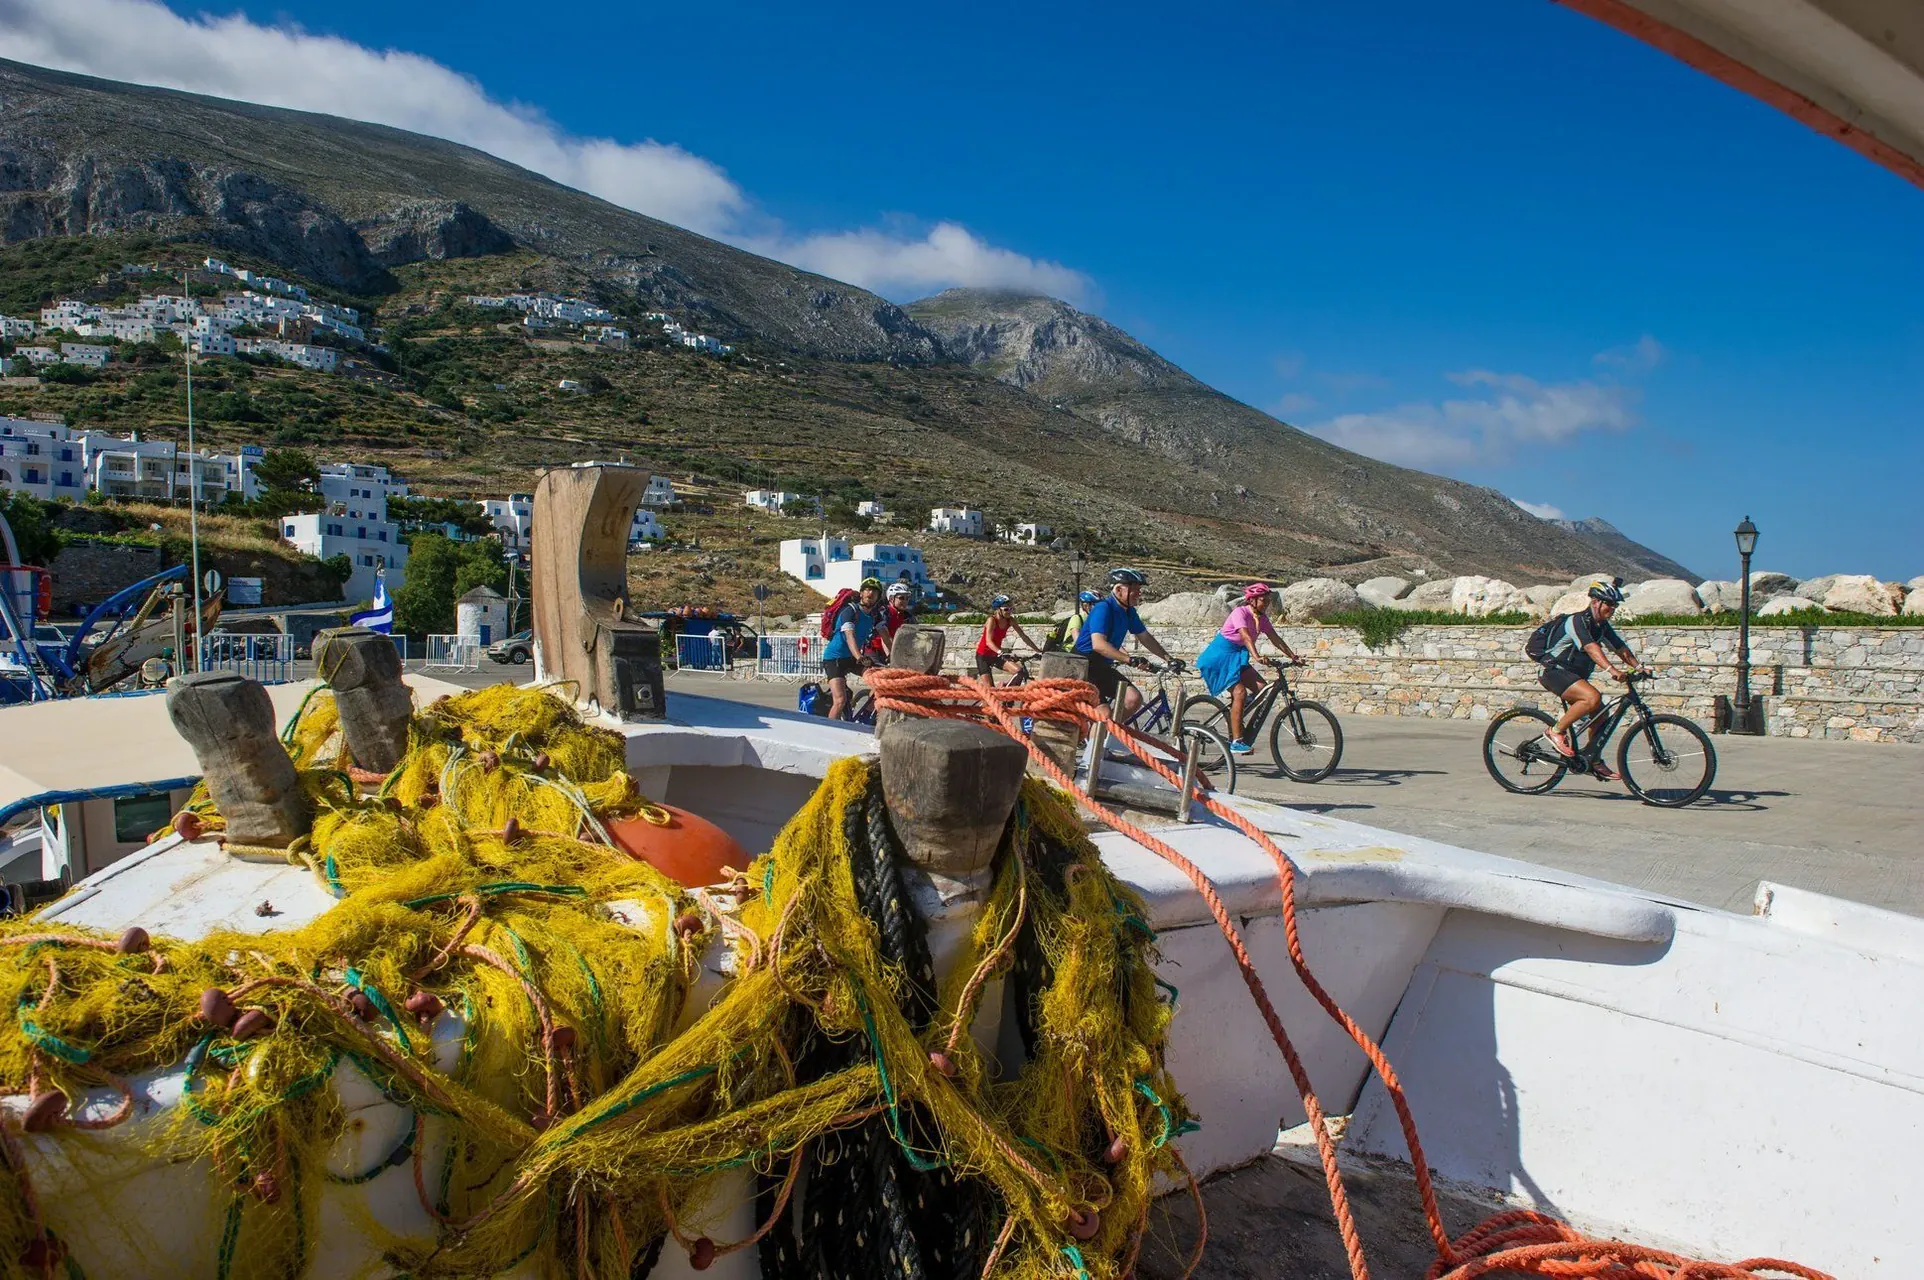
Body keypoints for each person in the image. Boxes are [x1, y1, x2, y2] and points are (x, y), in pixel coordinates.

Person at [1534, 578, 1642, 780]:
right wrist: (1611, 669)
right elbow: (1591, 647)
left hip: (1573, 676)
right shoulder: (1577, 621)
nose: (1613, 608)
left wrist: (1639, 667)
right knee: (1592, 697)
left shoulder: (1601, 626)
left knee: (1601, 714)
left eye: (1615, 604)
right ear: (1595, 601)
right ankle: (1555, 731)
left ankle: (1593, 759)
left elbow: (1619, 648)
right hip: (1553, 671)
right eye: (1609, 603)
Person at [1195, 583, 1303, 753]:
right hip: (1220, 657)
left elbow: (1275, 639)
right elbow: (1245, 636)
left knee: (1261, 689)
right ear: (1252, 600)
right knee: (1240, 692)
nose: (1267, 603)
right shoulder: (1240, 612)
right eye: (1263, 600)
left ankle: (1234, 715)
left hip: (1237, 656)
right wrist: (1256, 656)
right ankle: (1236, 742)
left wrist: (1293, 656)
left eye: (1268, 600)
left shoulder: (1263, 619)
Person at [1073, 568, 1180, 719]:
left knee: (1133, 699)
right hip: (1083, 666)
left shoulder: (1129, 612)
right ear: (1118, 590)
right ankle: (1097, 738)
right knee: (1103, 714)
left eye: (1139, 589)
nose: (1139, 593)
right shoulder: (1103, 609)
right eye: (1135, 589)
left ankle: (1111, 735)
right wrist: (1129, 659)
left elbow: (1145, 637)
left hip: (1102, 667)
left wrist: (1169, 659)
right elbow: (1099, 644)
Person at [822, 577, 886, 720]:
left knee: (879, 683)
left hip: (852, 657)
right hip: (834, 658)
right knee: (839, 701)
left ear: (878, 597)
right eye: (868, 590)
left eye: (875, 592)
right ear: (861, 593)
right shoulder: (850, 611)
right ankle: (827, 731)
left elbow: (886, 638)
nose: (871, 593)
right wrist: (859, 657)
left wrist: (892, 656)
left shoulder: (875, 615)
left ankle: (864, 717)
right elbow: (849, 636)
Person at [974, 595, 1040, 683]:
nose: (1009, 612)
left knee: (1019, 671)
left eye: (1011, 609)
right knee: (990, 691)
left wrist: (1038, 650)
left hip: (996, 655)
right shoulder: (992, 620)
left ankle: (1007, 692)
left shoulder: (1010, 620)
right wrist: (1001, 652)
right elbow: (988, 642)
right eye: (1006, 609)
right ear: (998, 610)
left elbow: (1023, 636)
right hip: (983, 656)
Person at [869, 581, 915, 659]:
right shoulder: (884, 612)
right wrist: (889, 657)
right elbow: (884, 637)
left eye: (907, 598)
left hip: (894, 651)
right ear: (891, 598)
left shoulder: (907, 616)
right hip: (875, 651)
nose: (905, 601)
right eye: (901, 598)